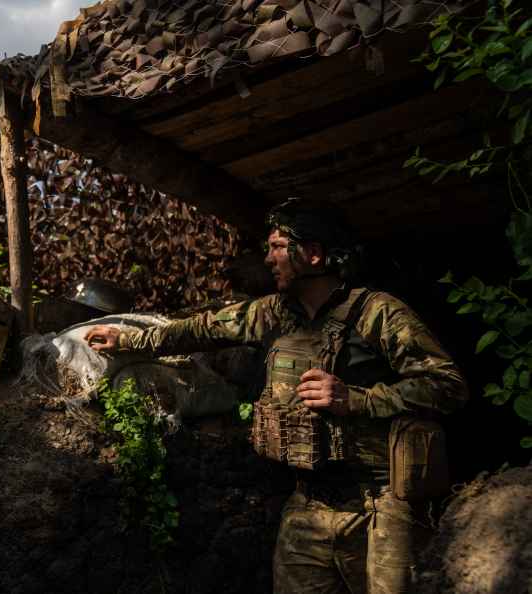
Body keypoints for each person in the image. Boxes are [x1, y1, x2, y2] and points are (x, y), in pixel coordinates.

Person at [85, 198, 468, 594]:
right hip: (308, 505)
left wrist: (357, 399)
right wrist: (130, 339)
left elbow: (447, 385)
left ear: (314, 254)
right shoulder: (272, 313)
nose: (268, 258)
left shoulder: (378, 313)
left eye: (277, 247)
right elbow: (198, 330)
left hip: (382, 505)